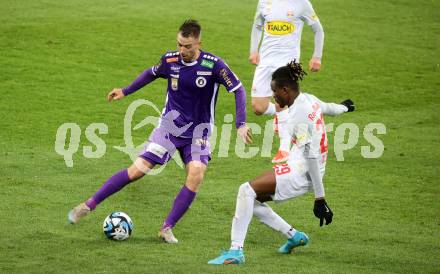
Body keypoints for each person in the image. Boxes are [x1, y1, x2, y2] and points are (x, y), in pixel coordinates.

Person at [68, 19, 253, 244]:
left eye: (187, 46)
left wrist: (241, 123)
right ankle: (88, 205)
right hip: (169, 128)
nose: (182, 50)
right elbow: (151, 73)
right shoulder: (170, 60)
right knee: (137, 171)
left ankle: (166, 227)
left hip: (199, 132)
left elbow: (238, 89)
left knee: (196, 174)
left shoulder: (213, 65)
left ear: (198, 43)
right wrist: (125, 91)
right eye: (179, 45)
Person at [208, 61, 355, 265]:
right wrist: (345, 108)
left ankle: (235, 252)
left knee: (246, 190)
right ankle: (294, 236)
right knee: (252, 200)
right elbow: (329, 108)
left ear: (285, 90)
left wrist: (320, 198)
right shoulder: (308, 99)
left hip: (303, 171)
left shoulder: (298, 115)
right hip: (300, 162)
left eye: (274, 92)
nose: (273, 97)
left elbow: (311, 156)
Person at [249, 0, 325, 163]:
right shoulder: (264, 2)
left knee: (281, 102)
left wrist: (317, 57)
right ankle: (281, 114)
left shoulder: (302, 4)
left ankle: (284, 149)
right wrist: (253, 50)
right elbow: (257, 25)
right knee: (258, 107)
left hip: (288, 63)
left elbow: (318, 30)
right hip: (266, 62)